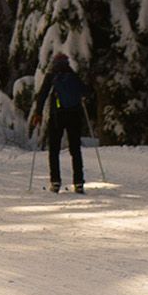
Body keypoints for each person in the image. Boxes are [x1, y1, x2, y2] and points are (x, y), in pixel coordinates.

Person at [31, 44, 92, 193]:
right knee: (75, 149)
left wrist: (38, 113)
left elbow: (42, 95)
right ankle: (78, 182)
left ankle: (55, 181)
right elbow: (87, 92)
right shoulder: (73, 75)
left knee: (54, 150)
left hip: (57, 117)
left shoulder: (52, 76)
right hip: (75, 115)